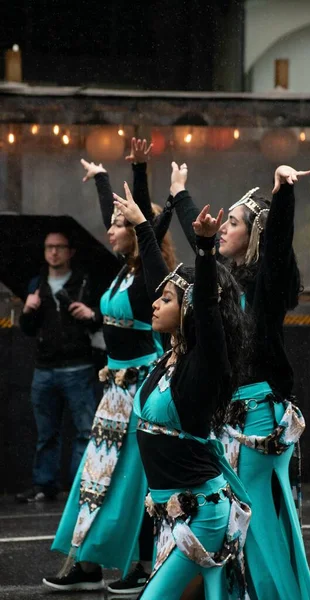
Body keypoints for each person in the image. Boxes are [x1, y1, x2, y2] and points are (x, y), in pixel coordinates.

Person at [165, 163, 310, 599]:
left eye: (234, 222)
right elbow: (203, 236)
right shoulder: (224, 284)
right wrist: (179, 194)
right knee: (240, 522)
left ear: (254, 235)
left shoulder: (265, 286)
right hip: (229, 419)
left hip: (258, 419)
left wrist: (282, 191)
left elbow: (278, 246)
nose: (224, 227)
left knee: (259, 521)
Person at [43, 140, 176, 594]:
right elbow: (116, 219)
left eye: (122, 223)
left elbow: (143, 224)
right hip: (116, 390)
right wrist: (102, 178)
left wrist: (140, 172)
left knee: (135, 480)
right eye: (115, 221)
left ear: (142, 231)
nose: (111, 228)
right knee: (95, 475)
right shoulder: (122, 270)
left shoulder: (148, 279)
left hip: (142, 388)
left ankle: (142, 563)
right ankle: (89, 562)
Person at [111, 180, 252, 600]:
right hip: (171, 517)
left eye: (167, 300)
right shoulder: (168, 357)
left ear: (187, 310)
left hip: (201, 516)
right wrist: (142, 227)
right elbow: (162, 278)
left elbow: (205, 304)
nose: (155, 304)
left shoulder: (203, 365)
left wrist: (206, 250)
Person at [16, 230, 101, 503]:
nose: (53, 252)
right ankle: (44, 484)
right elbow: (28, 329)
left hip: (79, 365)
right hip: (45, 367)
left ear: (70, 251)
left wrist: (90, 314)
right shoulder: (36, 283)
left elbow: (100, 321)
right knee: (46, 433)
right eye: (49, 247)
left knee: (85, 431)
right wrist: (27, 311)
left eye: (59, 247)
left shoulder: (85, 281)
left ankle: (80, 484)